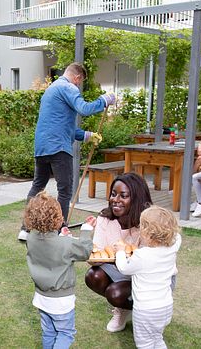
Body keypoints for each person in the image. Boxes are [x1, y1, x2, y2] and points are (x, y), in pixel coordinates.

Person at [20, 62, 115, 241]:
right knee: (65, 190)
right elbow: (84, 109)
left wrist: (87, 135)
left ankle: (25, 229)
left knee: (37, 186)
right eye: (79, 82)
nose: (78, 86)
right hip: (59, 148)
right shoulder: (68, 87)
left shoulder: (51, 90)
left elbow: (62, 125)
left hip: (42, 148)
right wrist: (104, 100)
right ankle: (60, 230)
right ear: (77, 77)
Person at [24, 191, 96, 348]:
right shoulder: (66, 245)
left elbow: (51, 245)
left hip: (42, 297)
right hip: (61, 300)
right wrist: (86, 230)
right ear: (57, 218)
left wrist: (63, 237)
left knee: (49, 332)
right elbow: (85, 251)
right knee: (65, 334)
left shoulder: (31, 238)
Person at [84, 172, 153, 332]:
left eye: (123, 196)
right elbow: (98, 250)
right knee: (93, 276)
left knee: (115, 293)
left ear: (136, 199)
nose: (116, 200)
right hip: (116, 269)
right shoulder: (104, 218)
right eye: (113, 194)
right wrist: (92, 256)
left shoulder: (147, 223)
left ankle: (137, 309)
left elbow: (147, 263)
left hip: (140, 276)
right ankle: (122, 309)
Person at [114, 206, 181, 349]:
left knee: (145, 344)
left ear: (148, 233)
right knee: (157, 338)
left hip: (146, 311)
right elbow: (177, 237)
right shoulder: (173, 247)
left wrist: (120, 252)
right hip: (165, 306)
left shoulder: (142, 256)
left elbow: (124, 268)